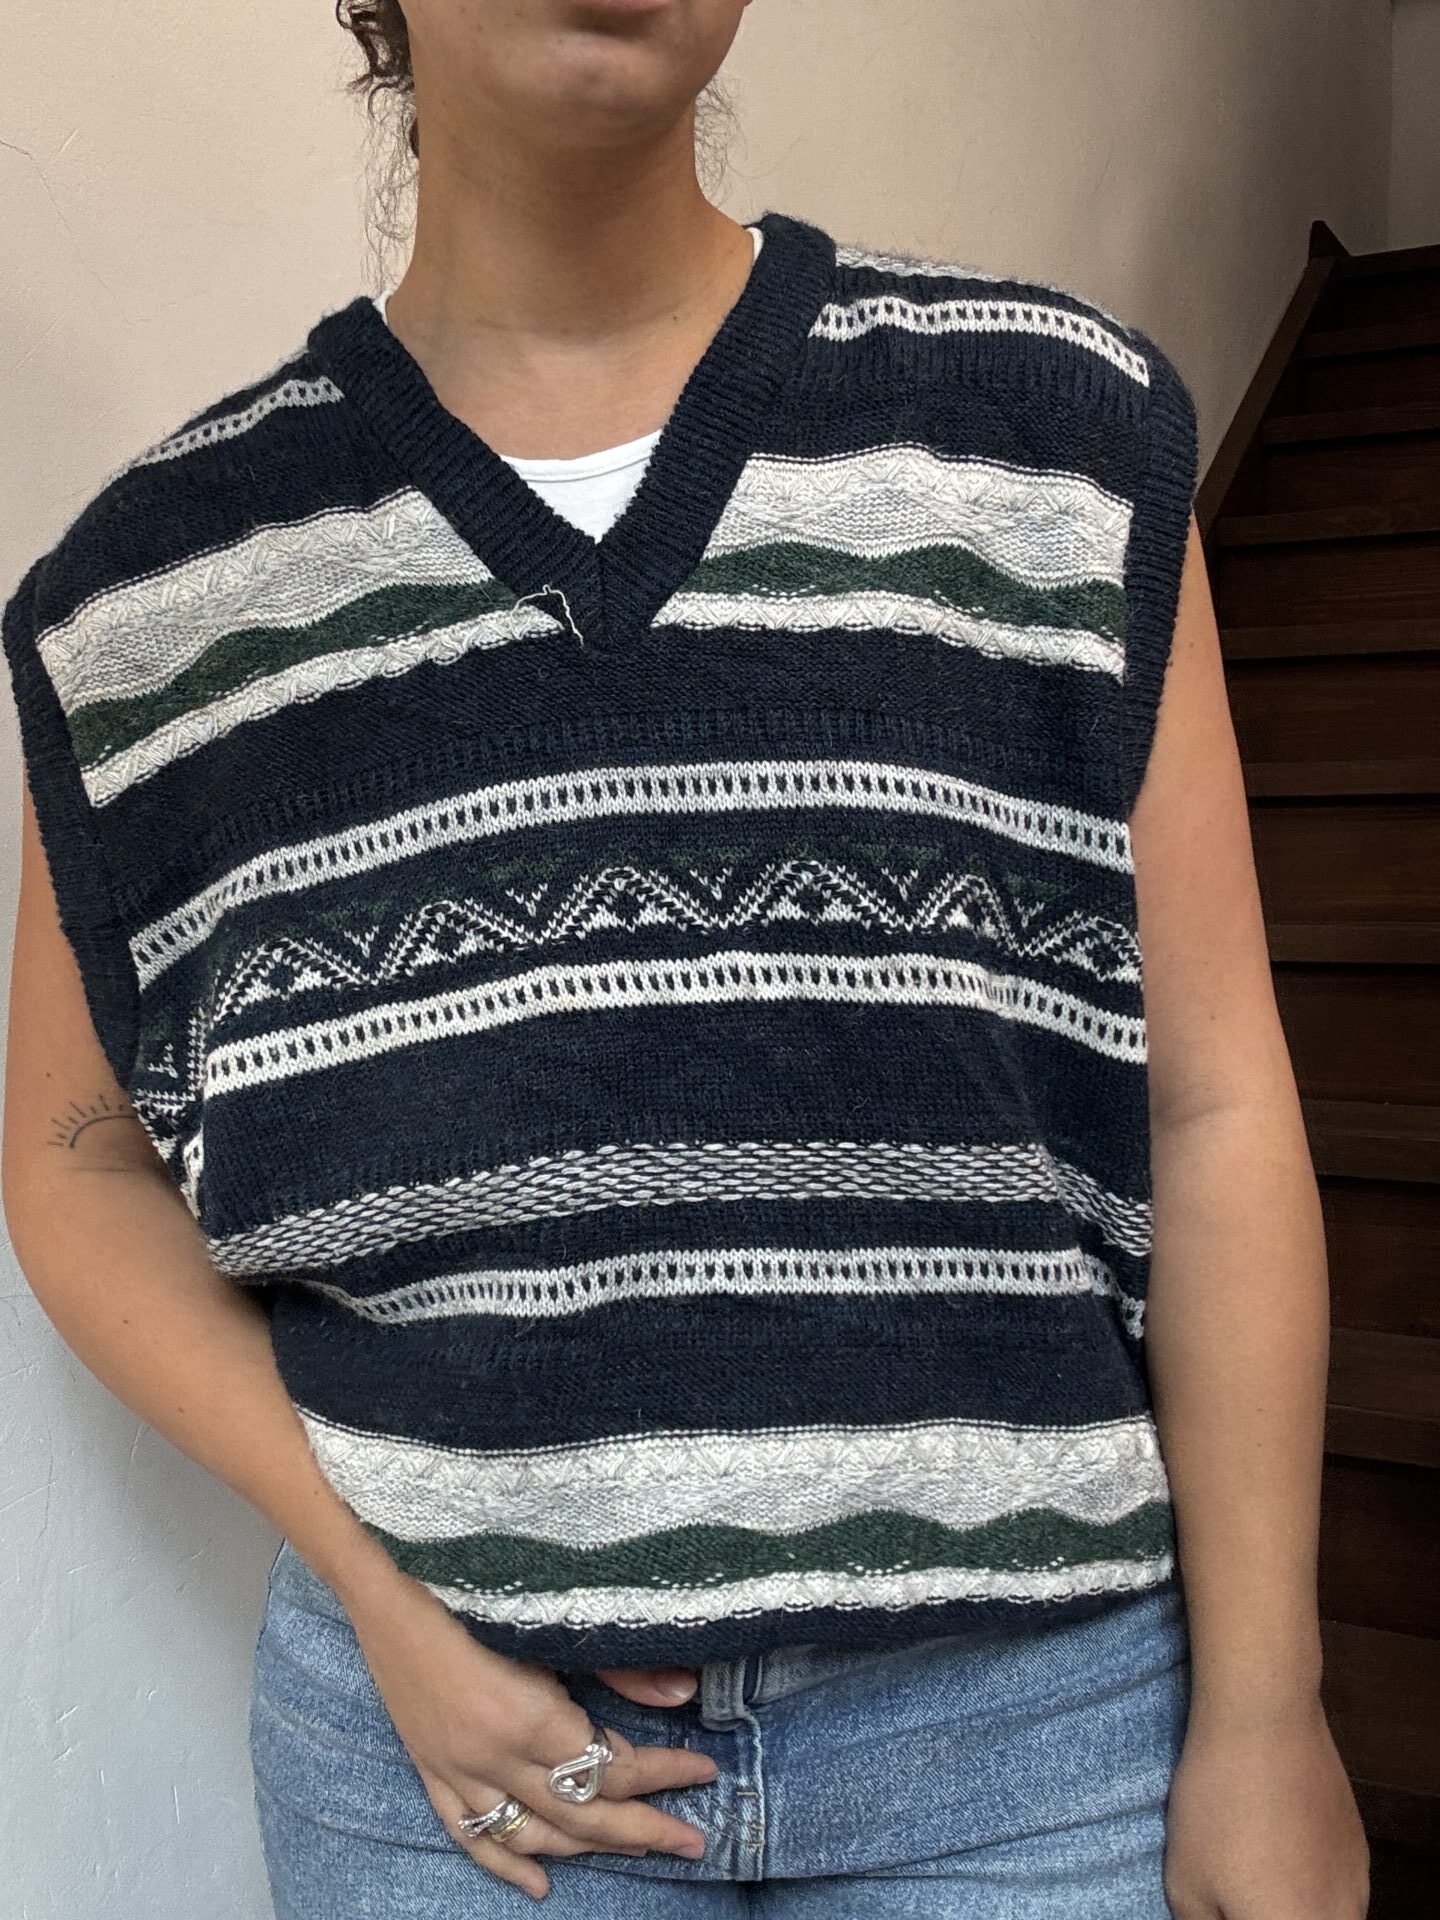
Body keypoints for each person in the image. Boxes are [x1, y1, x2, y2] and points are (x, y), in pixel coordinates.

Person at [1, 3, 1370, 1916]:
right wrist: (380, 1587)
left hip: (1039, 1759)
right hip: (459, 1783)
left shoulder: (1058, 449)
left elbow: (1211, 1107)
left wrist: (1272, 1708)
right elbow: (72, 1163)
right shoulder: (151, 607)